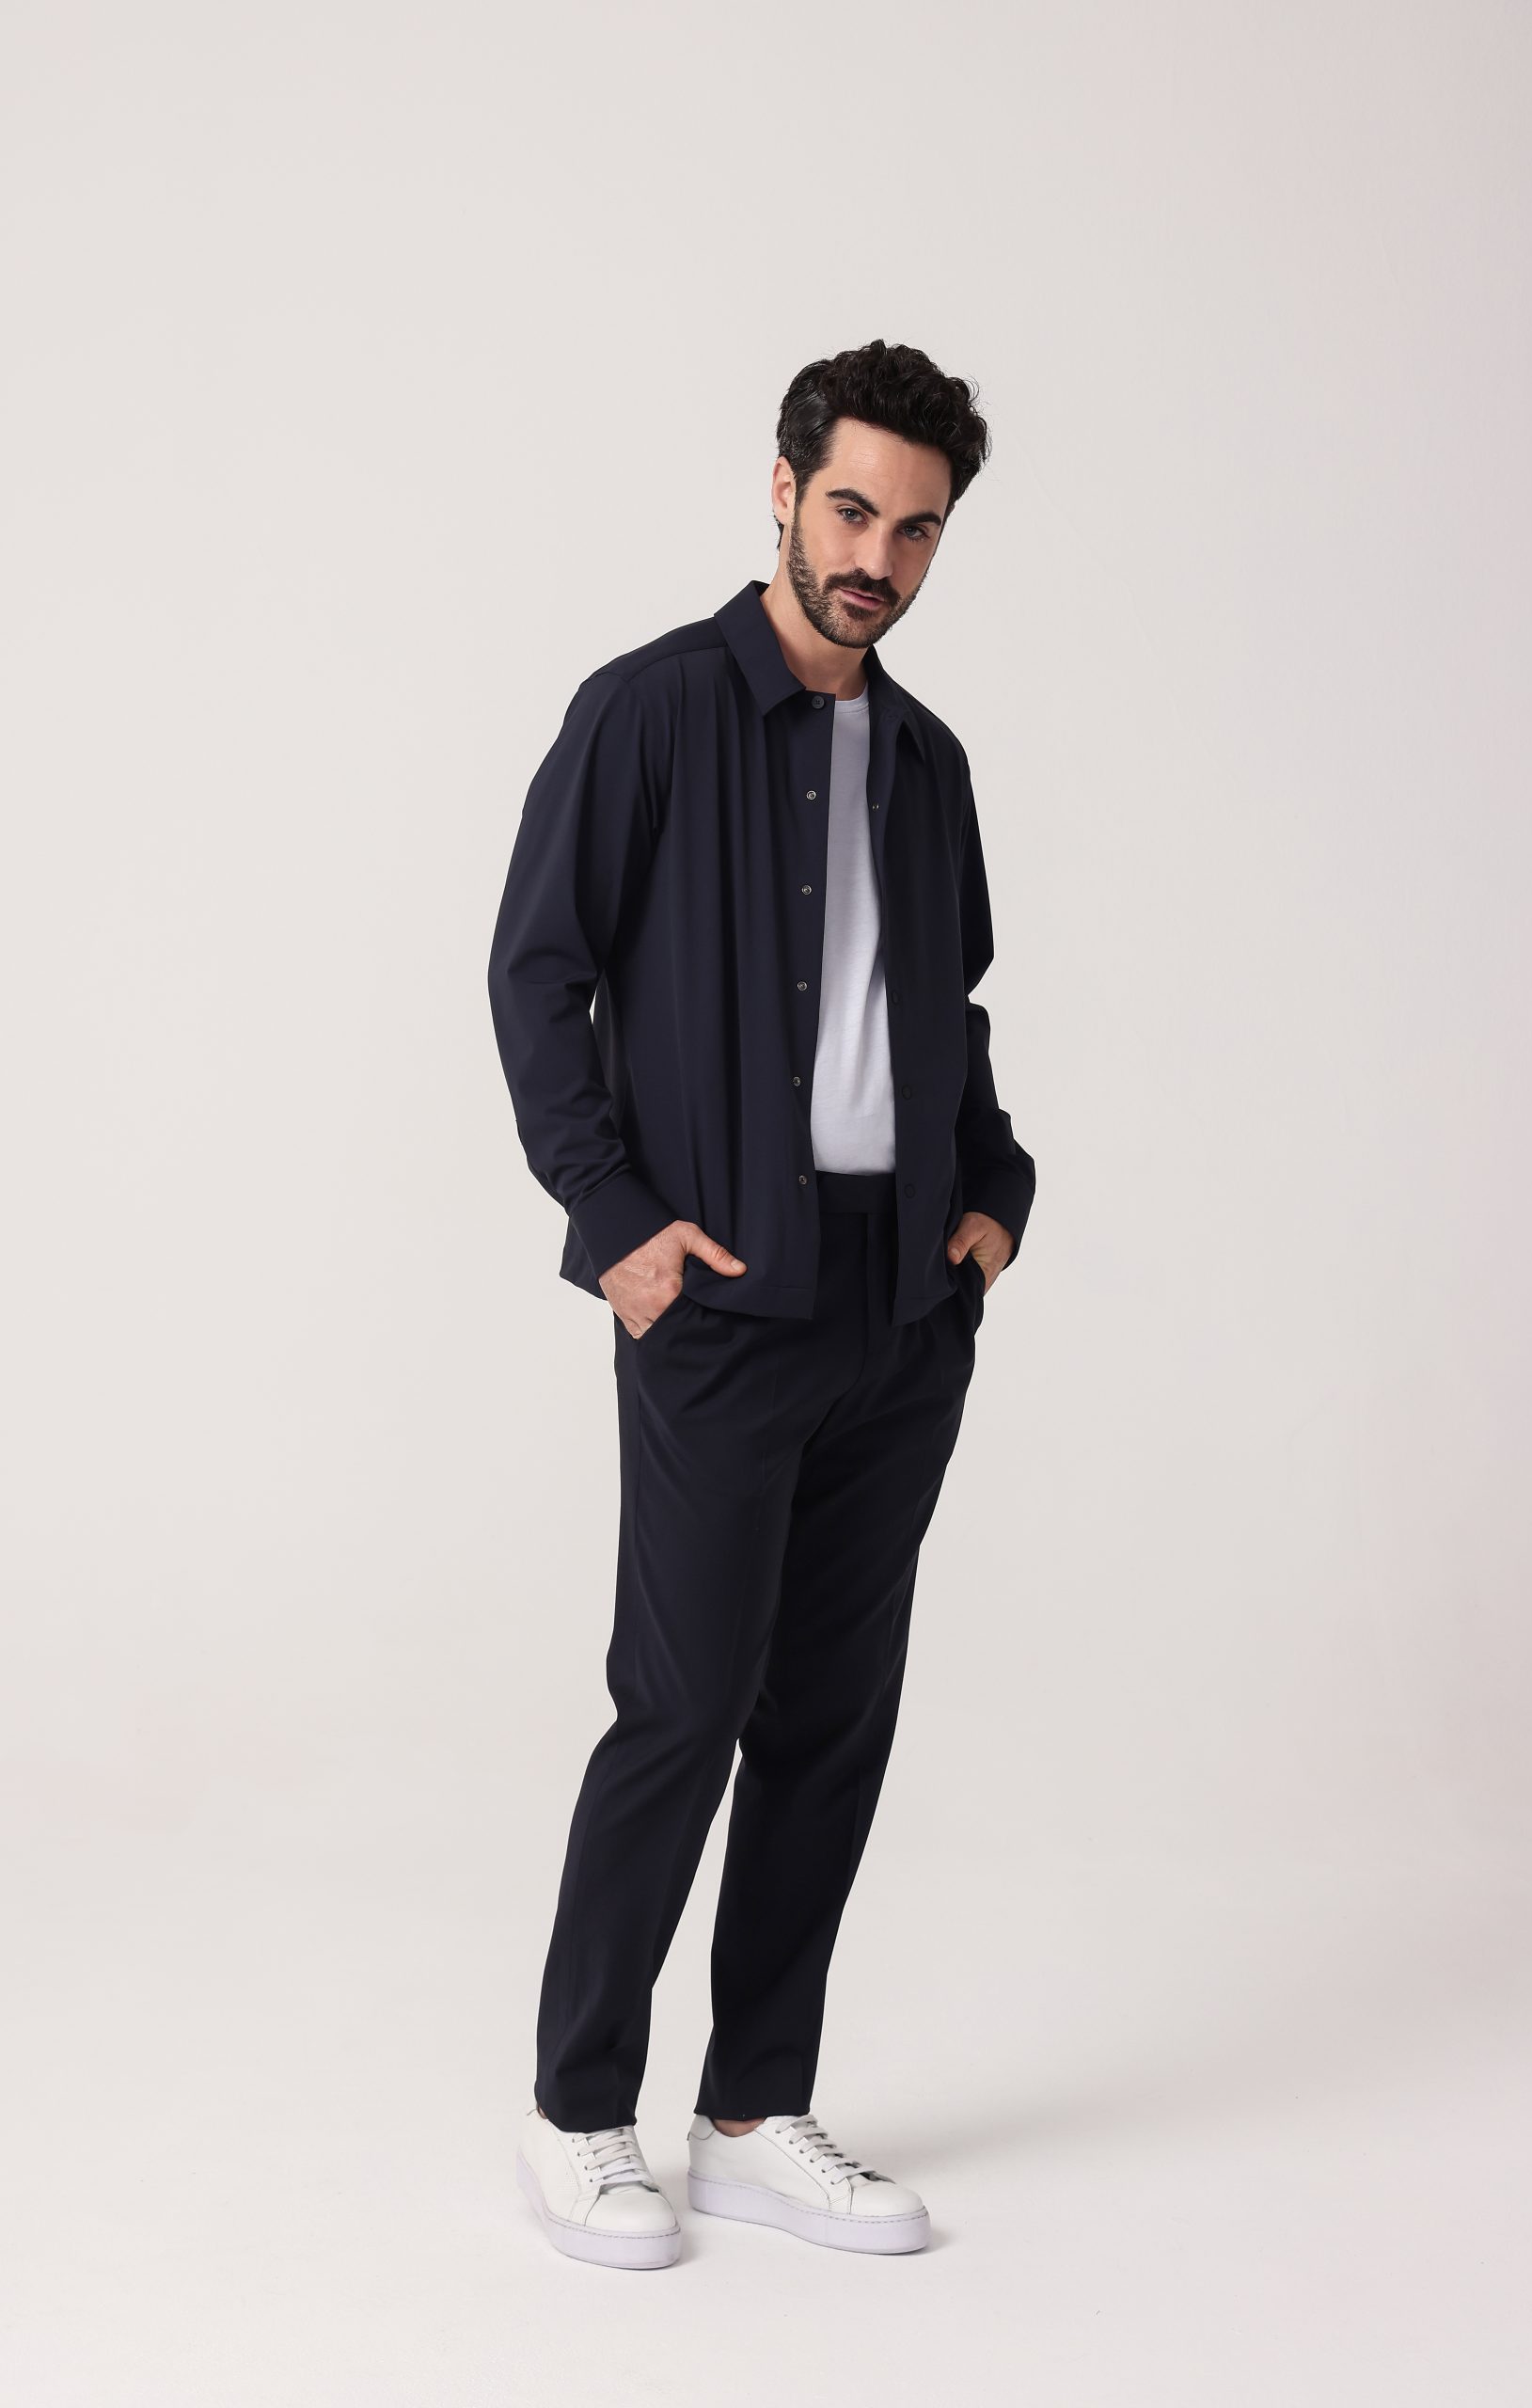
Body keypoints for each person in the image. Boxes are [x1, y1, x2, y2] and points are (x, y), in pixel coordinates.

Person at [486, 338, 1036, 2270]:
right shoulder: (645, 712)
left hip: (901, 1307)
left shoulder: (931, 763)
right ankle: (578, 2110)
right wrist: (619, 1222)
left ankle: (747, 2110)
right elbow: (536, 973)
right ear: (785, 489)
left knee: (832, 1718)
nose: (877, 556)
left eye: (917, 529)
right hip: (717, 1302)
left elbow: (948, 1012)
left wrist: (990, 1204)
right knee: (684, 1706)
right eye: (852, 509)